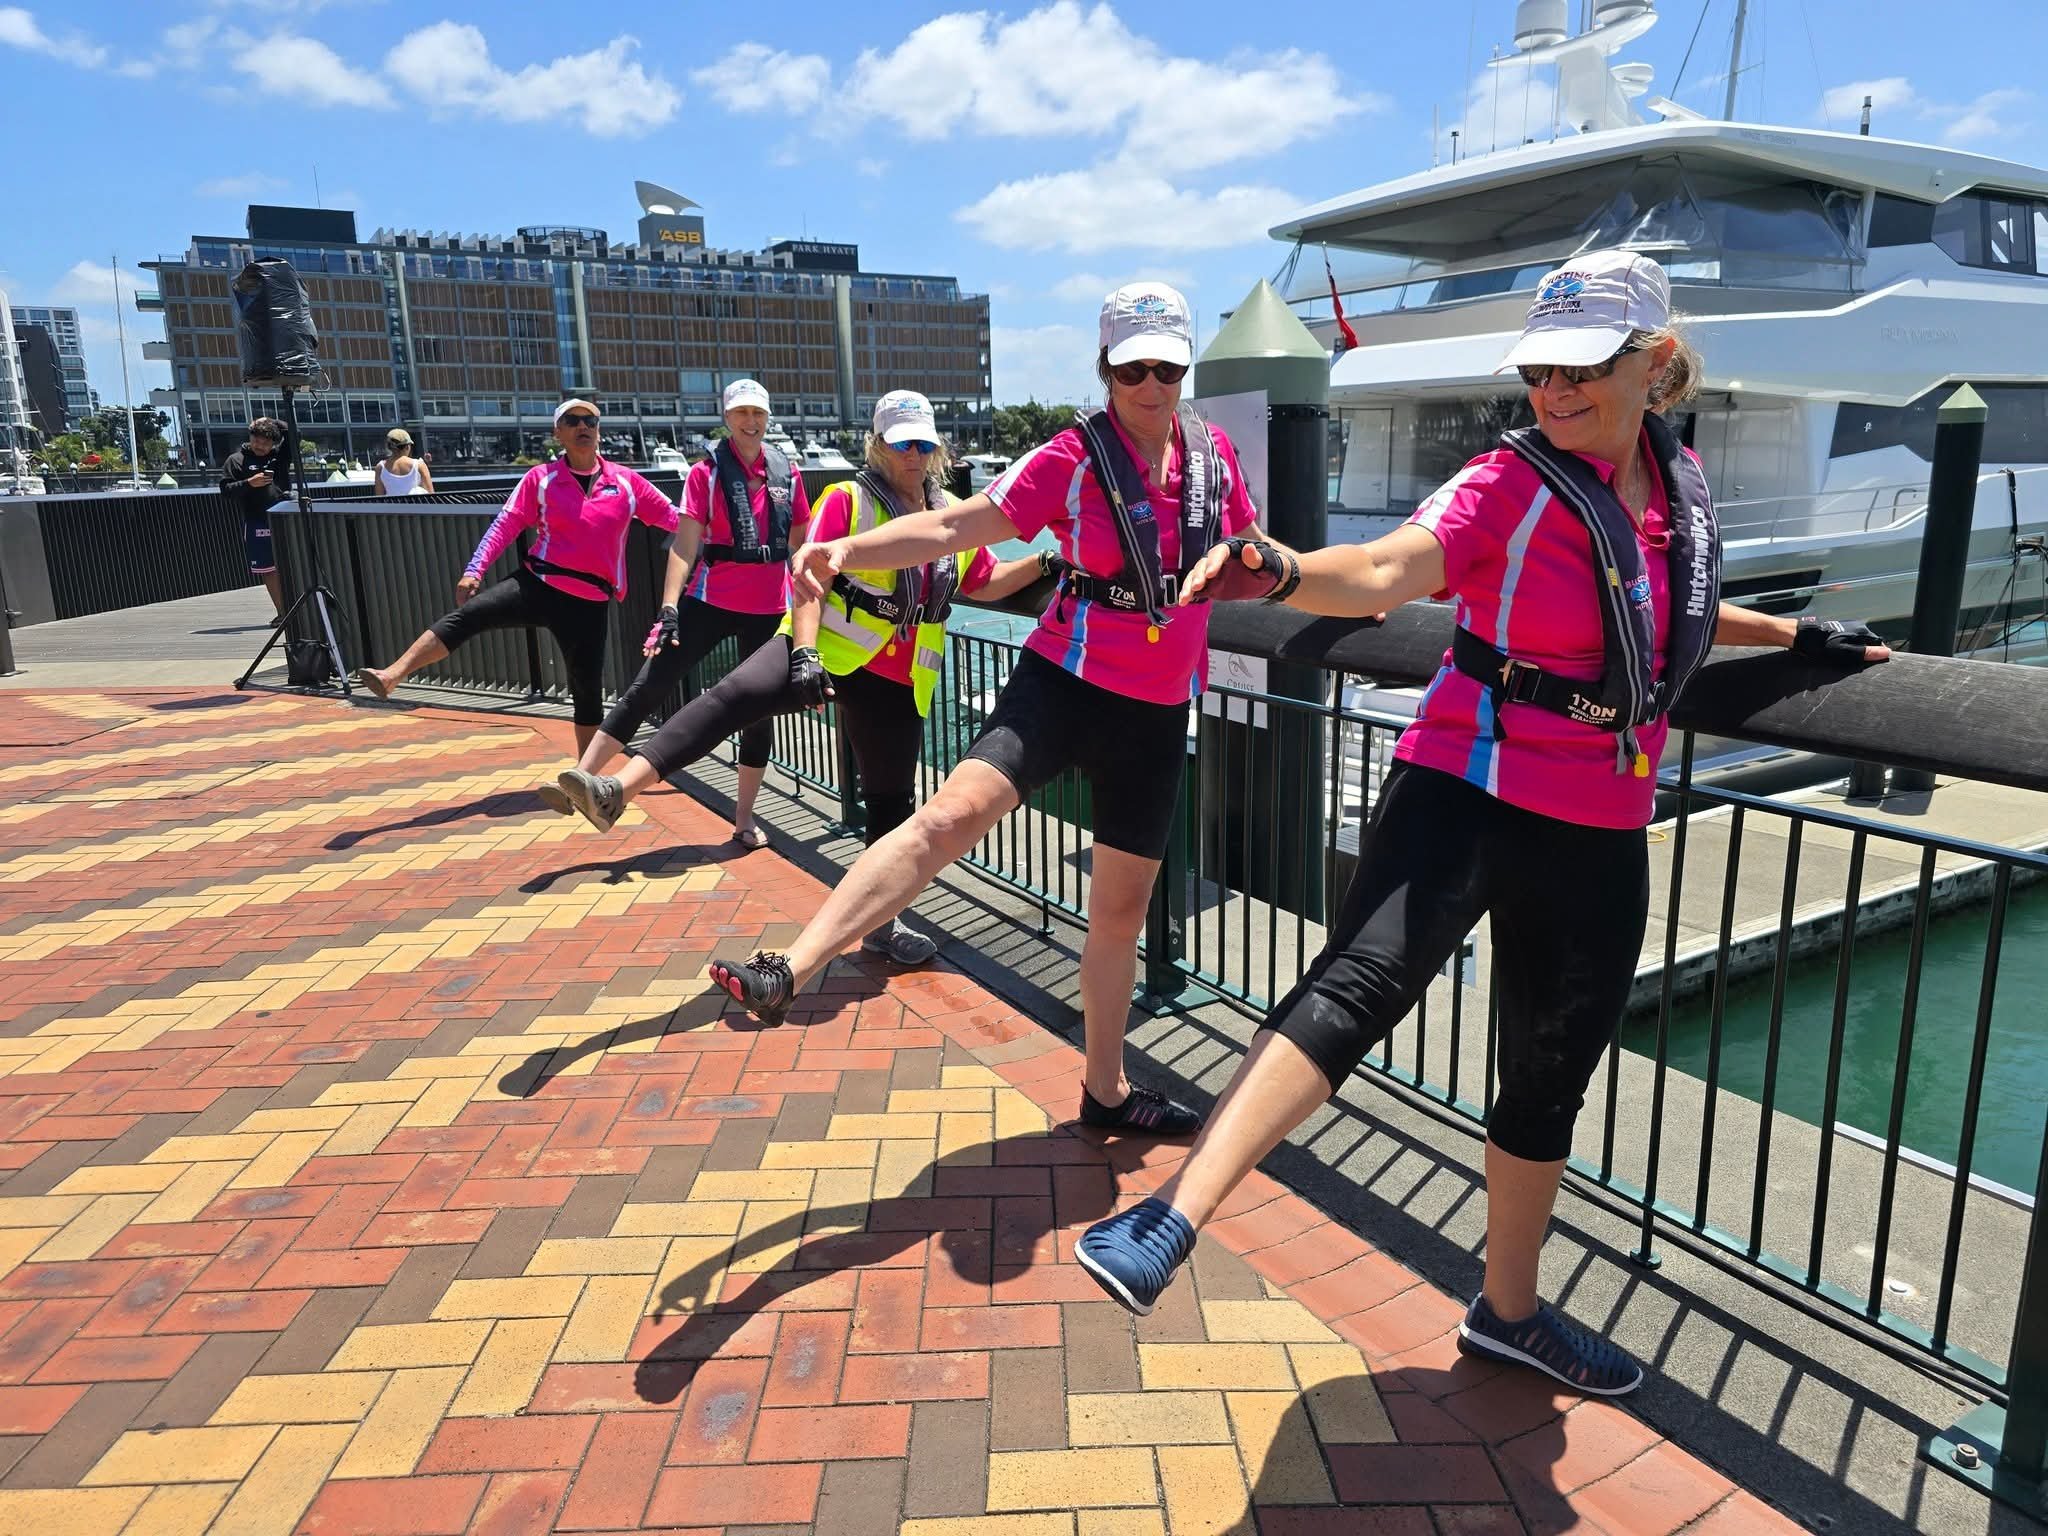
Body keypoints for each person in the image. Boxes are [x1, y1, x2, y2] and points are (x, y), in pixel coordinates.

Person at [1071, 250, 1891, 1395]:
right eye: (1536, 374)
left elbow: (1668, 608)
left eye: (1576, 372)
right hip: (1466, 778)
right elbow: (1380, 569)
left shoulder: (1675, 485)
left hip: (1600, 815)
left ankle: (1508, 1314)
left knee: (1547, 1075)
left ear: (1651, 364)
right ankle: (1169, 1215)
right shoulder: (1505, 484)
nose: (1549, 396)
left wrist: (1795, 640)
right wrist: (1278, 566)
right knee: (1355, 986)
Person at [708, 282, 1263, 1140]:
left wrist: (1326, 583)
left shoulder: (1214, 455)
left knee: (1119, 914)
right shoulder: (1071, 458)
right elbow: (952, 530)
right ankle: (791, 964)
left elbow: (1248, 554)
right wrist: (845, 547)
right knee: (947, 816)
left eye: (1167, 367)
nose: (1151, 386)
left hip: (1157, 712)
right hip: (1066, 681)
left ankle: (1106, 1093)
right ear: (1105, 368)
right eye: (1132, 369)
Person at [555, 391, 1057, 964]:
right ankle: (617, 789)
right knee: (731, 697)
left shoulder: (952, 511)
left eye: (923, 443)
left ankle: (882, 928)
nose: (914, 456)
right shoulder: (848, 499)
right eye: (902, 445)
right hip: (822, 652)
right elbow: (811, 577)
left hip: (900, 677)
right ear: (878, 446)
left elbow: (983, 582)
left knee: (891, 804)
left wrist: (1045, 564)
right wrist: (806, 654)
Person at [538, 380, 813, 846]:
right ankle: (577, 781)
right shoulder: (705, 475)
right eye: (741, 413)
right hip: (709, 600)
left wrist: (808, 601)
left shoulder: (789, 473)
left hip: (769, 607)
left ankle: (743, 819)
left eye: (758, 414)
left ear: (767, 418)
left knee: (756, 715)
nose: (750, 422)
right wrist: (669, 607)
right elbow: (685, 547)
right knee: (650, 684)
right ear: (727, 418)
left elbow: (801, 544)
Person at [352, 399, 677, 756]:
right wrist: (474, 570)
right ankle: (392, 675)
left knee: (586, 688)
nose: (583, 426)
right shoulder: (541, 479)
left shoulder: (626, 482)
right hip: (537, 584)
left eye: (591, 421)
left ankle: (585, 776)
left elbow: (678, 520)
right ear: (559, 432)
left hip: (590, 600)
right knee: (468, 617)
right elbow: (504, 525)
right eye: (573, 421)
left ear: (598, 430)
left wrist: (720, 537)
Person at [220, 417, 290, 617]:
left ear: (273, 443)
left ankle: (300, 609)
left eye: (266, 442)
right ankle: (283, 613)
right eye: (257, 440)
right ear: (250, 437)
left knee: (294, 565)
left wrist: (270, 421)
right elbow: (225, 490)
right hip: (256, 520)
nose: (260, 445)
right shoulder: (235, 460)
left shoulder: (280, 456)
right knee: (268, 569)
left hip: (286, 518)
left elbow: (294, 433)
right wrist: (249, 483)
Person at [374, 429, 434, 495]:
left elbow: (379, 497)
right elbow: (431, 495)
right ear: (407, 447)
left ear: (389, 447)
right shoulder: (419, 465)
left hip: (391, 505)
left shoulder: (380, 467)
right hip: (415, 505)